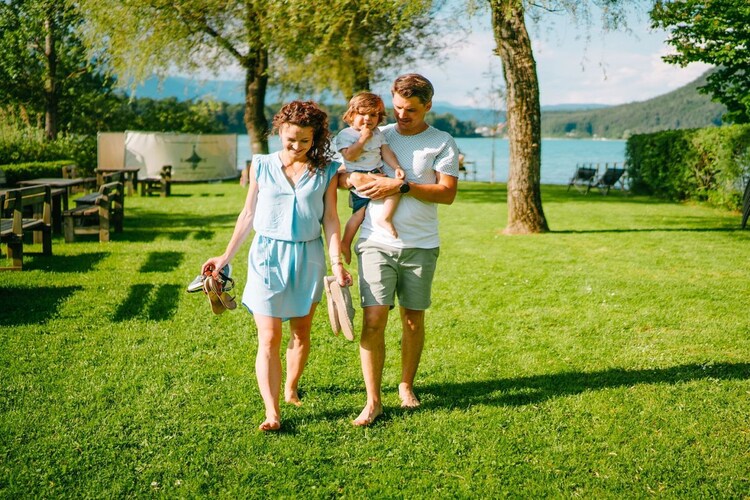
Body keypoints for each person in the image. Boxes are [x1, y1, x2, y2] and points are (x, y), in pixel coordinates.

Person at [201, 101, 351, 432]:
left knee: (301, 332)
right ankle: (272, 413)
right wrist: (225, 257)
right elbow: (248, 214)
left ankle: (291, 388)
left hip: (308, 256)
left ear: (316, 138)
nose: (297, 146)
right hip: (266, 256)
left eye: (305, 141)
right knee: (269, 337)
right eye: (290, 139)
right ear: (279, 132)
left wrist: (336, 262)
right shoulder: (261, 165)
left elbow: (330, 218)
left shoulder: (326, 170)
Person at [338, 74, 460, 426]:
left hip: (421, 243)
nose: (402, 115)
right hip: (375, 240)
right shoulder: (378, 132)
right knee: (374, 319)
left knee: (412, 319)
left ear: (428, 106)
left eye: (411, 110)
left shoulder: (441, 142)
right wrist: (354, 179)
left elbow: (447, 194)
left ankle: (406, 385)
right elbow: (343, 173)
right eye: (397, 108)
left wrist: (402, 186)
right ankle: (373, 400)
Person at [334, 92, 406, 264]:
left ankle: (384, 218)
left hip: (376, 172)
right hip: (358, 177)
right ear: (351, 115)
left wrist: (397, 167)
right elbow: (349, 156)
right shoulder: (346, 135)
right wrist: (363, 139)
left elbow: (386, 152)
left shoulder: (378, 134)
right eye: (362, 114)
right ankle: (346, 242)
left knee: (395, 188)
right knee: (359, 214)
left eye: (373, 115)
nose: (368, 119)